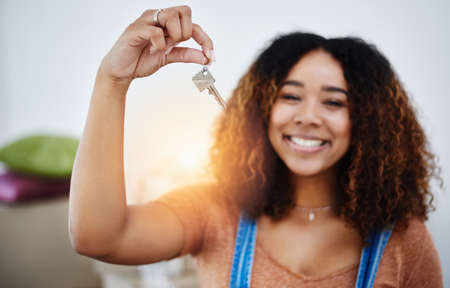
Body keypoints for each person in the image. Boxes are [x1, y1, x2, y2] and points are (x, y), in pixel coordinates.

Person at [68, 5, 444, 288]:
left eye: (333, 102)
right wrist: (112, 81)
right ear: (260, 110)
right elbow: (99, 236)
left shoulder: (403, 240)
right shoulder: (213, 211)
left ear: (370, 122)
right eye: (290, 97)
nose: (308, 116)